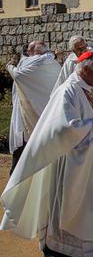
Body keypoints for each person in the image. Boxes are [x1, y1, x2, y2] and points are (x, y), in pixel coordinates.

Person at [1, 52, 93, 257]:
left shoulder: (87, 88)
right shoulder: (68, 91)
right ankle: (54, 245)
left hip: (92, 161)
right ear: (85, 69)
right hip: (69, 164)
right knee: (65, 206)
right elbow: (63, 130)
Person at [7, 41, 60, 175]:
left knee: (24, 141)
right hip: (46, 108)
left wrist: (10, 67)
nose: (27, 53)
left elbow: (19, 75)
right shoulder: (53, 63)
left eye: (29, 50)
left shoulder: (35, 62)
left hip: (29, 108)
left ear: (36, 52)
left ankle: (16, 175)